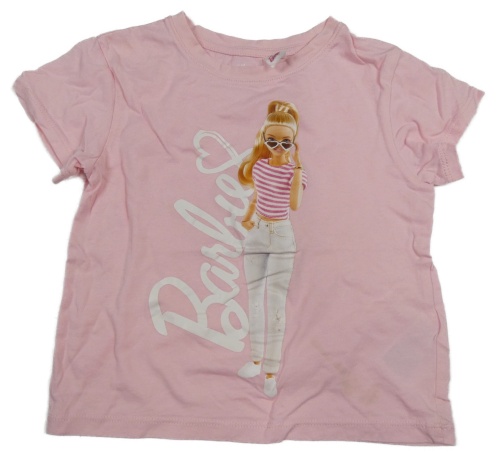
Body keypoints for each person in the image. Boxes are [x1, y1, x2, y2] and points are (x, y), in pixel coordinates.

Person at [237, 100, 308, 397]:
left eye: (285, 142)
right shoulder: (259, 166)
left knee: (276, 302)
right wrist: (247, 217)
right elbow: (258, 195)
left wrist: (297, 166)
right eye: (272, 141)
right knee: (253, 297)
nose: (278, 147)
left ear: (294, 142)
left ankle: (271, 371)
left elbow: (294, 204)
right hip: (257, 232)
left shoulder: (295, 172)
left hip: (281, 235)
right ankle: (255, 359)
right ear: (264, 138)